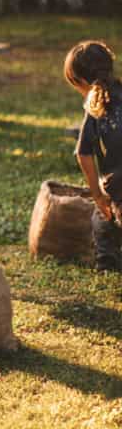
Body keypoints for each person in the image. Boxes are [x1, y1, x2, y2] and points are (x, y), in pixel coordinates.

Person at [64, 40, 122, 272]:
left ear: (81, 82)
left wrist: (97, 195)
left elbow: (83, 153)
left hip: (118, 187)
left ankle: (107, 264)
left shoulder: (96, 109)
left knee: (101, 219)